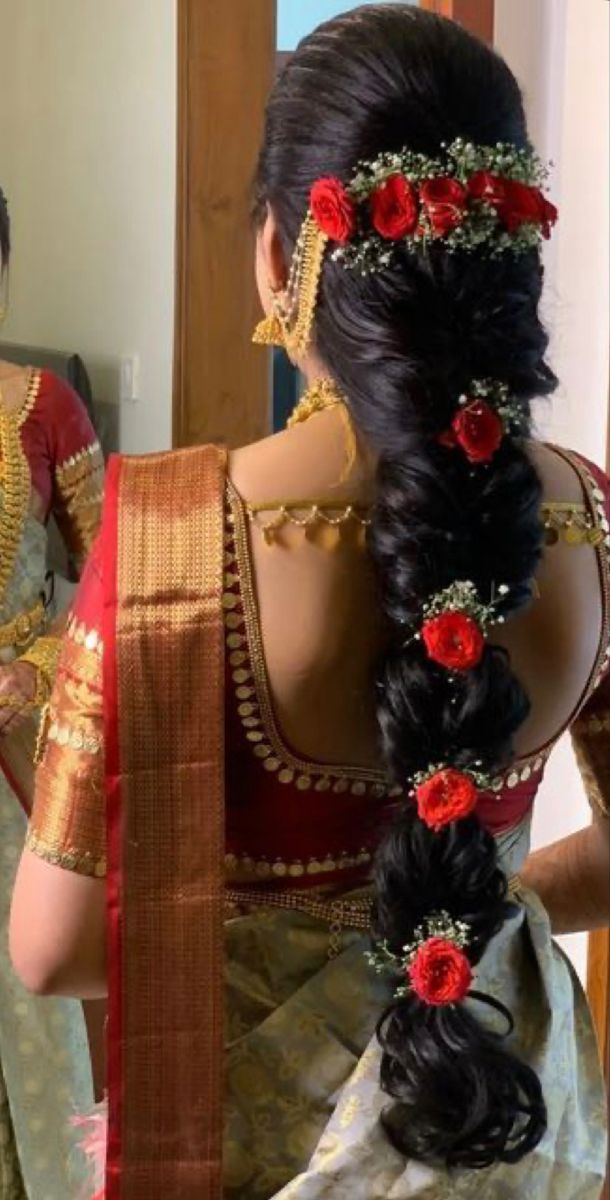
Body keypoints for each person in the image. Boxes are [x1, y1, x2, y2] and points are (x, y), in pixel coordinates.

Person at [8, 6, 610, 1198]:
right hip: (517, 1126)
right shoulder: (585, 519)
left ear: (282, 252)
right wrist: (473, 917)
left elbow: (53, 947)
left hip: (249, 1144)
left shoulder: (178, 536)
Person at [0, 184, 104, 1195]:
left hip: (16, 760)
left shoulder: (40, 408)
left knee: (24, 1009)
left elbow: (110, 602)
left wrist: (27, 674)